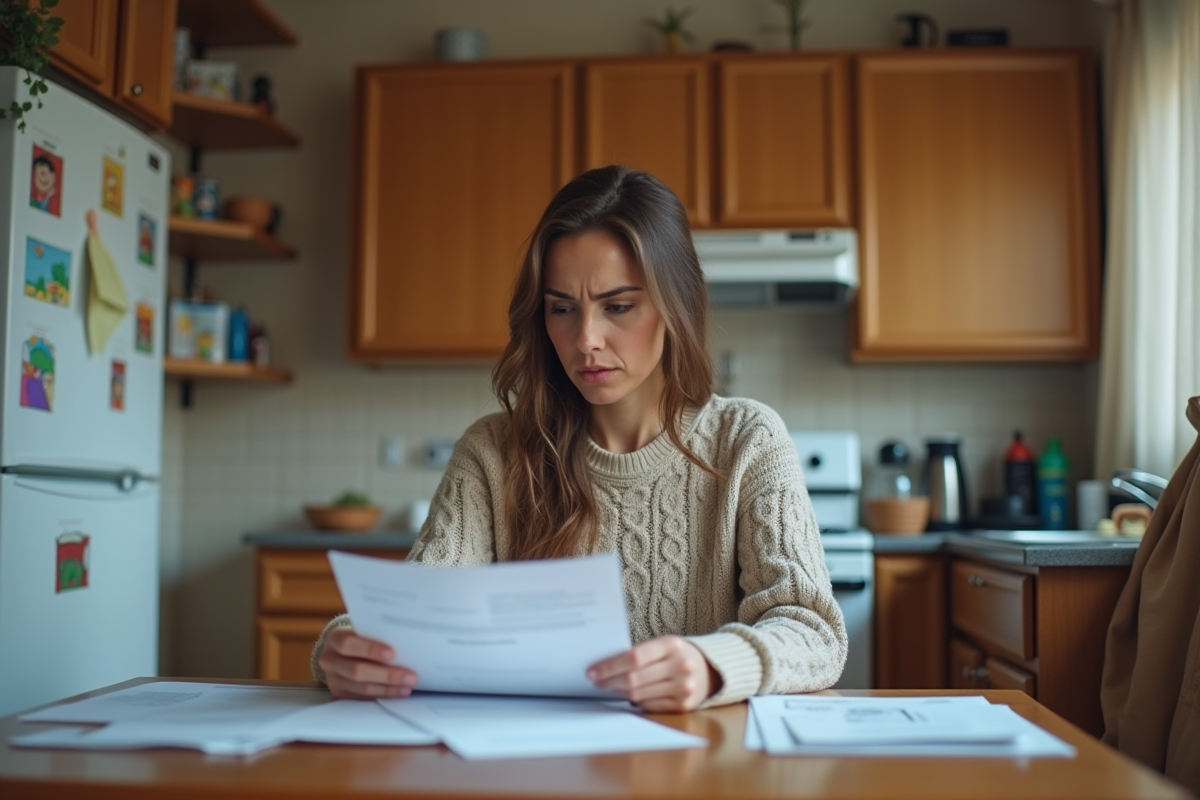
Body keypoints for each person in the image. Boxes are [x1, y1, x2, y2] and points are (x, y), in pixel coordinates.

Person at [313, 165, 847, 712]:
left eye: (617, 307)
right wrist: (346, 646)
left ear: (674, 304)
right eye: (562, 308)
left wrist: (714, 665)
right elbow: (420, 607)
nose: (585, 339)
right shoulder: (494, 451)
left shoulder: (747, 439)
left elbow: (814, 631)